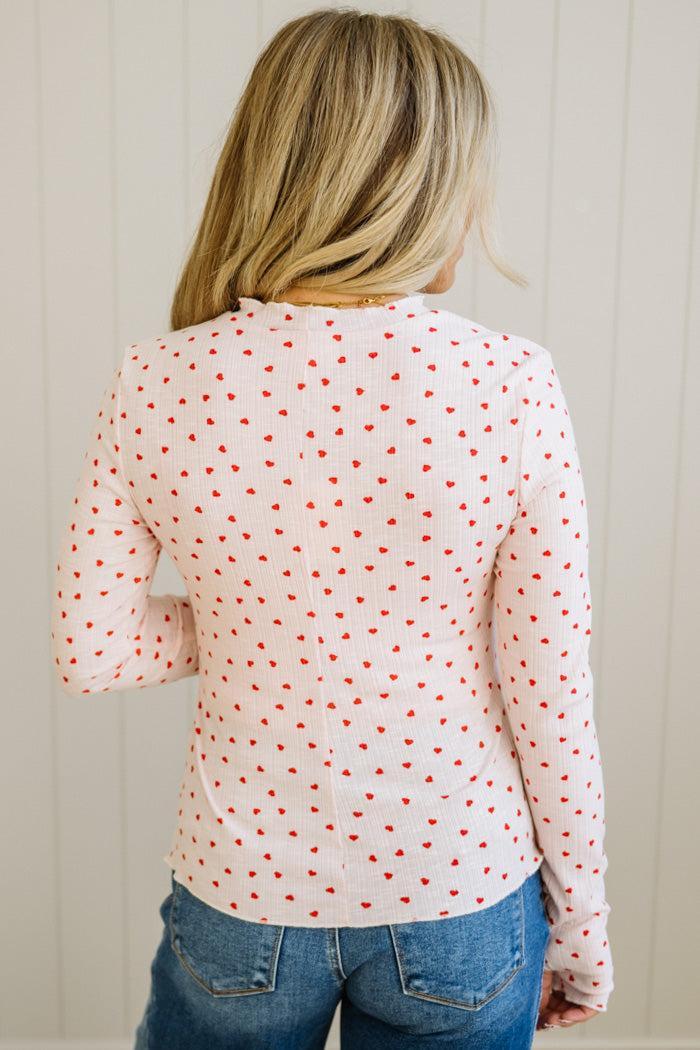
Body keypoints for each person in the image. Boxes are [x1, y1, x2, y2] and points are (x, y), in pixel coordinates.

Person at [49, 8, 613, 1048]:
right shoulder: (510, 386)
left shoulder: (157, 380)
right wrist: (583, 924)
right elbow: (550, 688)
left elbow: (92, 650)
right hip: (457, 886)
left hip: (242, 892)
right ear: (432, 189)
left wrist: (252, 617)